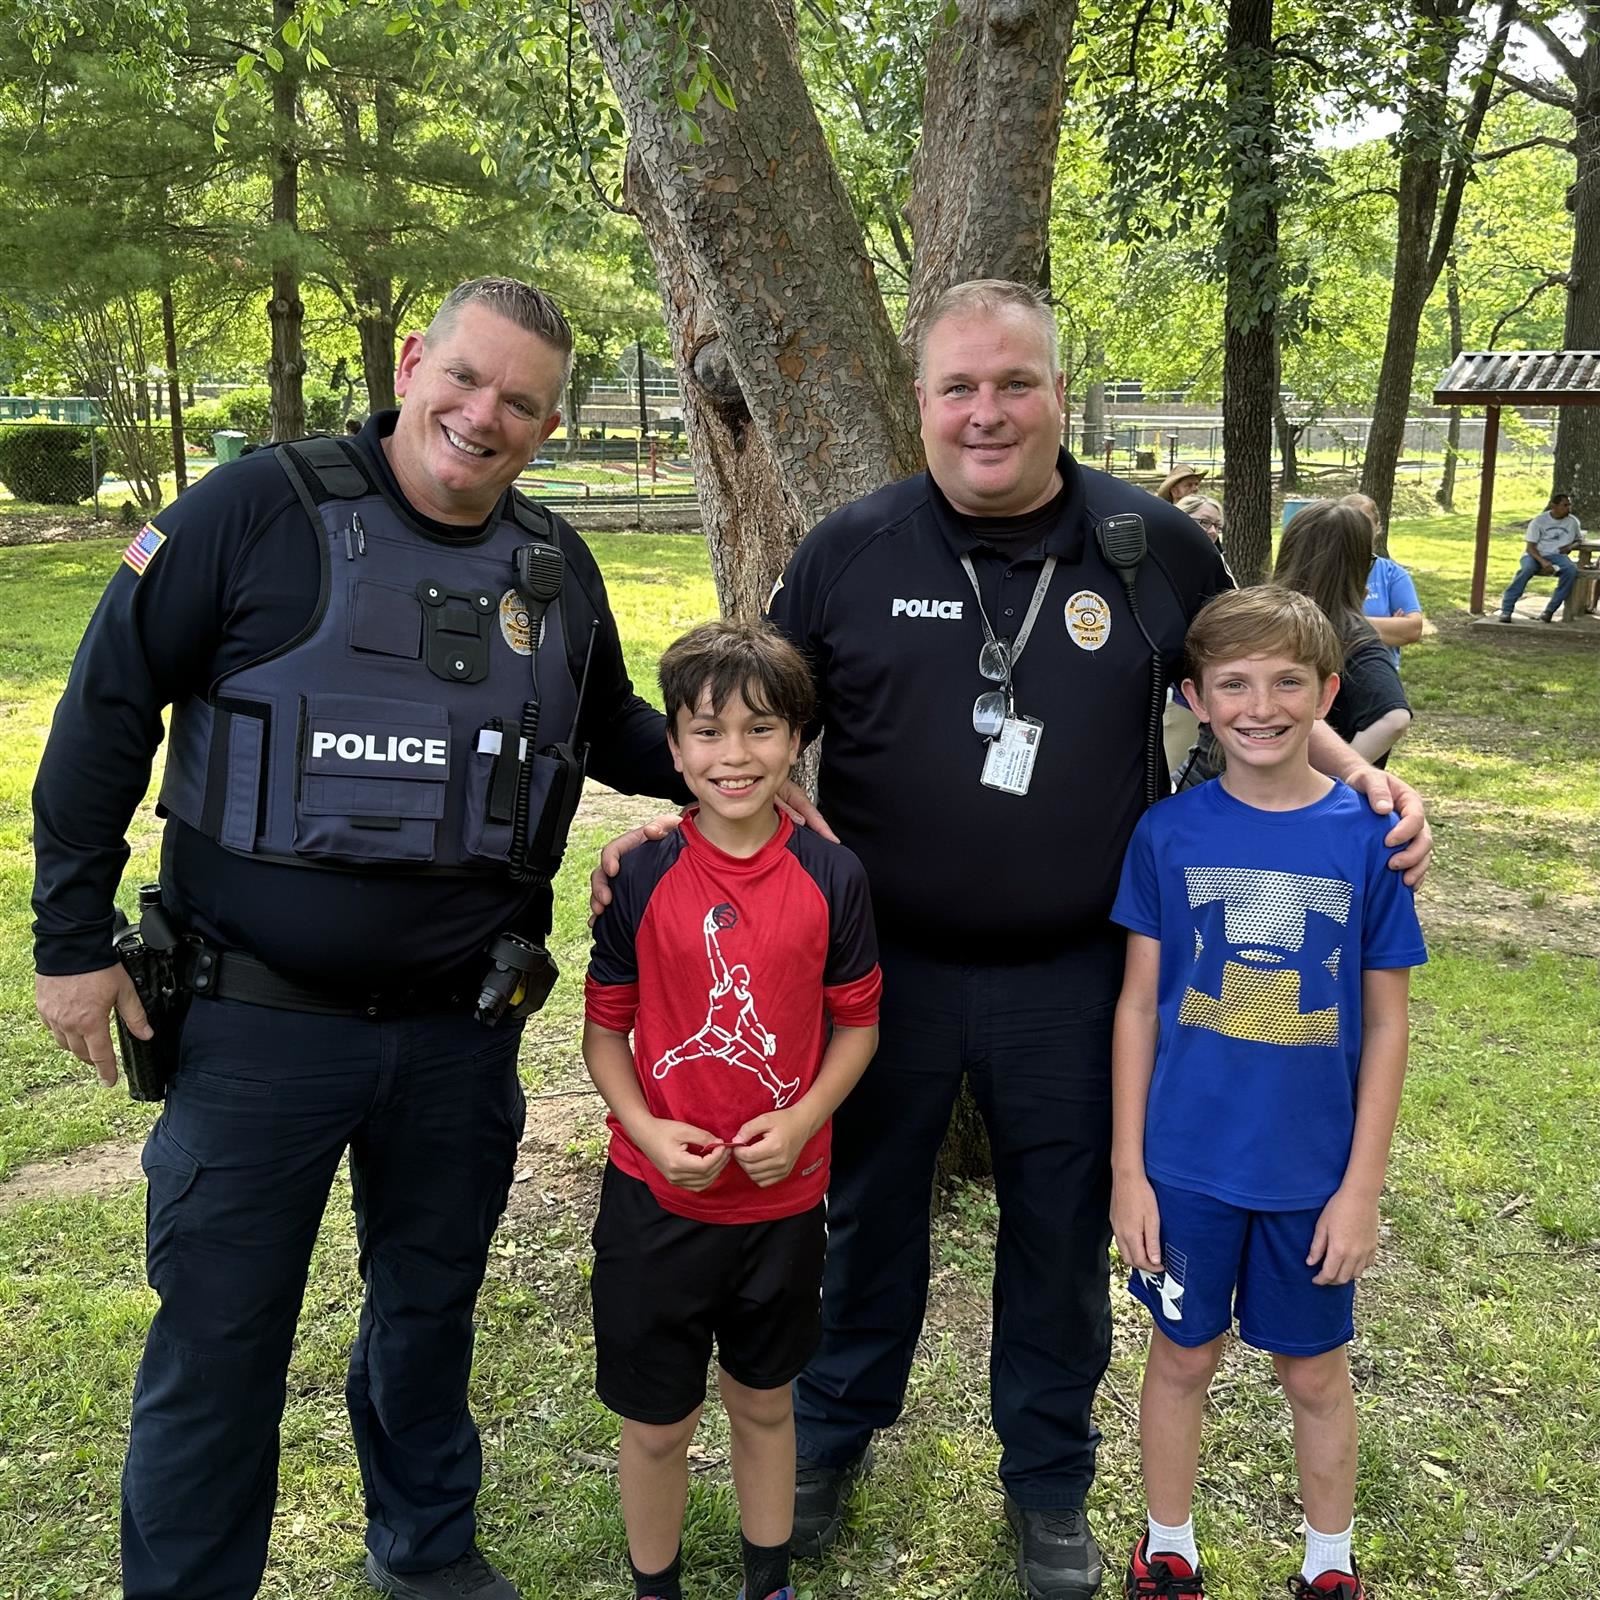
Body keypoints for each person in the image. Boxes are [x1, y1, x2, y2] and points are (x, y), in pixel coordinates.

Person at [594, 280, 1430, 1600]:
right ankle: (831, 1439)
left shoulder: (1148, 545)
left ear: (1057, 390)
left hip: (1081, 971)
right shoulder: (851, 550)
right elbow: (747, 722)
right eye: (959, 388)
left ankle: (1047, 1481)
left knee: (1058, 1232)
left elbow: (1245, 675)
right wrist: (665, 833)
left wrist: (1361, 780)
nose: (988, 412)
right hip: (882, 977)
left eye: (1016, 383)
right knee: (865, 1219)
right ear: (922, 404)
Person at [30, 278, 702, 1600]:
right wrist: (69, 941)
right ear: (412, 362)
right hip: (251, 1028)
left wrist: (733, 766)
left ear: (550, 422)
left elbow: (610, 721)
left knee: (427, 1313)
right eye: (463, 378)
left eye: (518, 401)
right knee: (221, 1342)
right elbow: (108, 705)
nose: (481, 415)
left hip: (461, 1032)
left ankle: (427, 1552)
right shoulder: (251, 514)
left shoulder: (554, 567)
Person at [1110, 585, 1425, 1600]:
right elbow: (1137, 1007)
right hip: (1185, 1166)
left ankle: (1328, 1565)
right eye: (1233, 683)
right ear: (1195, 698)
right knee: (1180, 1355)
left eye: (1288, 680)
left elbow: (1384, 1020)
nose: (1260, 705)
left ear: (1328, 691)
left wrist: (1360, 1187)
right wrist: (1129, 1171)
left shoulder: (1365, 836)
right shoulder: (1166, 834)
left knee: (1312, 1373)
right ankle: (1168, 1546)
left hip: (1310, 1173)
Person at [583, 620, 881, 1600]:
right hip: (654, 1206)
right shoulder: (642, 875)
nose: (734, 755)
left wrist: (798, 1125)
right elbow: (605, 1033)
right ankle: (654, 1585)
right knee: (658, 1425)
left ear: (796, 741)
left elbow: (857, 1030)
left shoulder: (833, 877)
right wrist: (643, 1126)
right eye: (706, 733)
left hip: (781, 1208)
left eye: (759, 731)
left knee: (763, 1405)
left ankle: (768, 1581)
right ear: (672, 750)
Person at [1275, 500, 1412, 767]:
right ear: (1357, 567)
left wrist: (1331, 783)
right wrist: (1338, 777)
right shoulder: (1349, 633)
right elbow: (1393, 719)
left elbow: (1393, 719)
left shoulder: (1265, 619)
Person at [1165, 497, 1227, 775]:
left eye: (1217, 525)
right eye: (1203, 523)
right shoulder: (1161, 566)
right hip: (1167, 691)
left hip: (1192, 693)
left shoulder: (1217, 568)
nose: (1212, 531)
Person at [1341, 493, 1423, 668]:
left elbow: (1412, 630)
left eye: (1364, 525)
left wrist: (1343, 622)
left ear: (1377, 527)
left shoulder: (1392, 574)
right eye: (1350, 525)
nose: (1357, 533)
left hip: (1379, 673)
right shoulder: (1325, 570)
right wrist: (1389, 627)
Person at [1498, 491, 1582, 622]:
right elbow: (1530, 547)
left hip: (1557, 555)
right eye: (1564, 505)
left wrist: (1570, 547)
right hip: (1535, 554)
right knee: (1526, 570)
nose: (1568, 508)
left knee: (1571, 570)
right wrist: (1543, 562)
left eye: (1569, 505)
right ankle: (1506, 610)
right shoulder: (1539, 521)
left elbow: (1579, 539)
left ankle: (1549, 611)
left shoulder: (1573, 522)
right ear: (1553, 506)